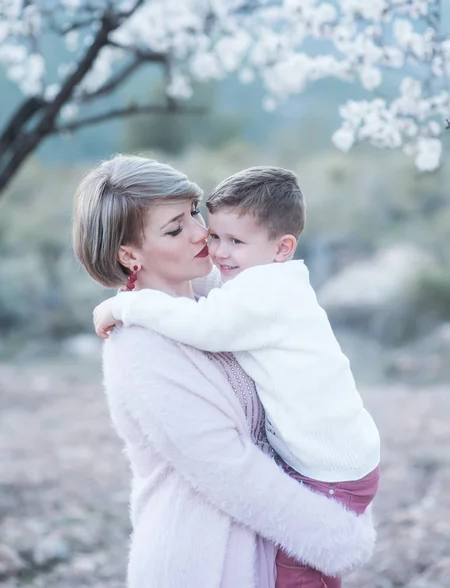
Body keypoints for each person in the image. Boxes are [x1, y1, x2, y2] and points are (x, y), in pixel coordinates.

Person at [74, 155, 375, 588]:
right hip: (201, 559)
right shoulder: (140, 344)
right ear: (129, 254)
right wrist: (336, 537)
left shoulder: (224, 305)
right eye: (176, 228)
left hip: (270, 540)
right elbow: (228, 469)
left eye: (194, 212)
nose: (202, 233)